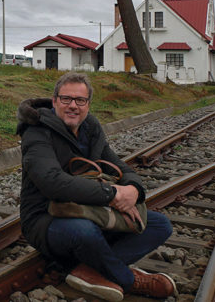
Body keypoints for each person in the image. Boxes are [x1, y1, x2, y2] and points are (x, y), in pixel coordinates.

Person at [16, 72, 176, 301]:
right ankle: (129, 280)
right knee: (85, 232)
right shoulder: (36, 131)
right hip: (46, 218)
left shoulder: (89, 128)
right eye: (66, 99)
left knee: (160, 225)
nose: (73, 106)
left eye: (80, 100)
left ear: (88, 104)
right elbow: (52, 182)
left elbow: (120, 167)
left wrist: (133, 190)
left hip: (90, 211)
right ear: (54, 101)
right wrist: (111, 195)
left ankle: (89, 271)